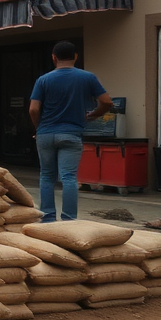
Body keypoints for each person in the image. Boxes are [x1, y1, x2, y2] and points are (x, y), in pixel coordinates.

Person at [28, 41, 113, 222]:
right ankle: (69, 220)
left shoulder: (43, 80)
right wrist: (93, 115)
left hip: (45, 134)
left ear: (53, 58)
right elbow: (107, 102)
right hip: (72, 134)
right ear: (76, 56)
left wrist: (39, 128)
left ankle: (48, 218)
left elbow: (33, 109)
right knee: (68, 177)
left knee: (47, 176)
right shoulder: (87, 77)